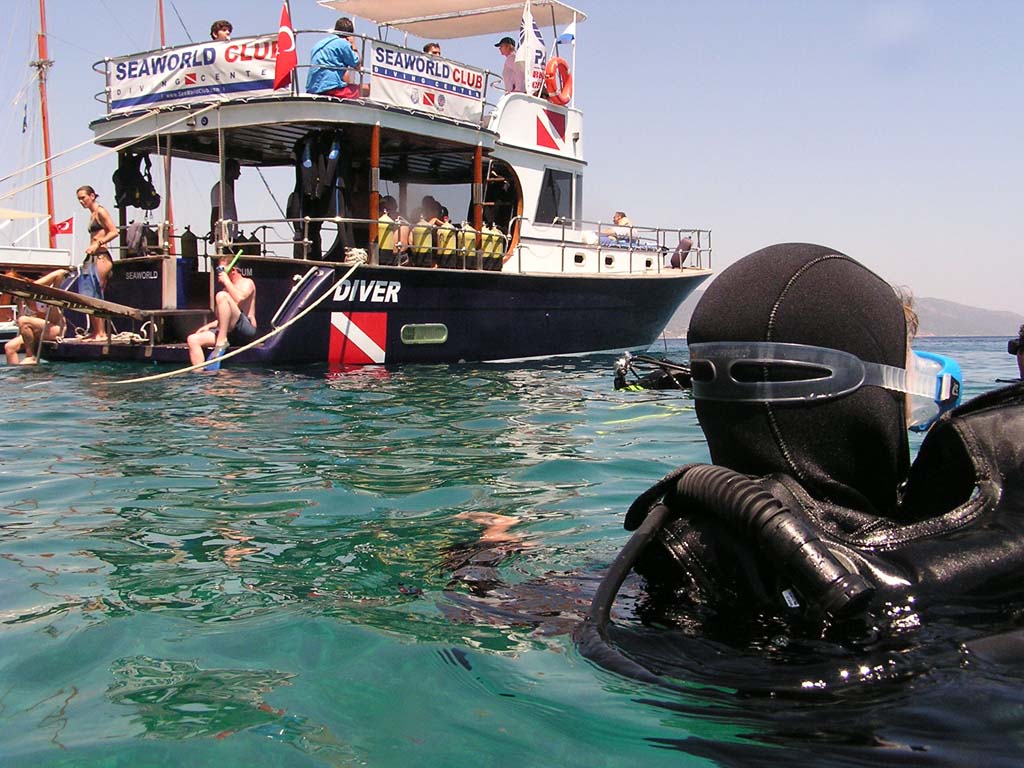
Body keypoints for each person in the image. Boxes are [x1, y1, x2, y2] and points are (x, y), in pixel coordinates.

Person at [186, 254, 257, 366]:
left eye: (221, 269)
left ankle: (221, 340)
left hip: (245, 329)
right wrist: (209, 326)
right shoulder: (225, 290)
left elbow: (239, 299)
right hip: (228, 332)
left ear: (232, 270)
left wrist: (227, 282)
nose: (219, 273)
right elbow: (225, 317)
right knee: (192, 339)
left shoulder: (247, 283)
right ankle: (199, 376)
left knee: (222, 295)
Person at [77, 185, 118, 341]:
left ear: (92, 196)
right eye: (79, 199)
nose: (81, 201)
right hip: (92, 258)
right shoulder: (92, 214)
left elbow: (114, 231)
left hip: (101, 257)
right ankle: (96, 331)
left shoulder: (100, 211)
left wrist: (97, 243)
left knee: (96, 295)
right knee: (88, 295)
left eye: (83, 198)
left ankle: (101, 333)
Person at [4, 268, 69, 365]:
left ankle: (30, 356)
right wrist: (19, 303)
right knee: (9, 347)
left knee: (24, 320)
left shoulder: (41, 292)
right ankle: (15, 374)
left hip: (56, 329)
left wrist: (31, 285)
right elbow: (21, 324)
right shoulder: (22, 298)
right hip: (38, 331)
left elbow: (61, 272)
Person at [306, 18, 360, 100]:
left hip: (312, 89)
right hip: (331, 89)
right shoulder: (343, 44)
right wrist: (353, 44)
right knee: (365, 89)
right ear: (349, 35)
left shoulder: (319, 44)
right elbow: (358, 65)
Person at [210, 159, 241, 252]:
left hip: (231, 234)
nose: (239, 173)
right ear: (231, 170)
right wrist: (213, 232)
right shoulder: (220, 188)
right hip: (225, 235)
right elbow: (215, 211)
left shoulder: (227, 188)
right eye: (237, 170)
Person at [377, 195, 409, 266]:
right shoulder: (377, 222)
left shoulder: (400, 222)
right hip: (381, 257)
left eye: (387, 209)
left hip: (393, 258)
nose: (384, 212)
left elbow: (400, 247)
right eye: (381, 208)